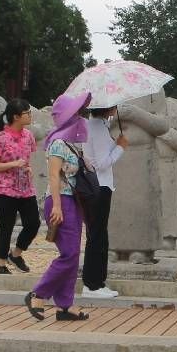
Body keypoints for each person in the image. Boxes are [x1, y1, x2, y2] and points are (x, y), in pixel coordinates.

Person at [24, 91, 91, 321]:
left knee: (72, 254)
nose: (80, 117)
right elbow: (53, 176)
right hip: (60, 200)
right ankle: (38, 293)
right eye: (76, 113)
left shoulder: (73, 145)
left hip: (74, 201)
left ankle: (65, 305)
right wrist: (57, 207)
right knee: (70, 254)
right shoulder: (58, 143)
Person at [0, 97, 39, 273]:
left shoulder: (29, 136)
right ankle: (1, 264)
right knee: (6, 227)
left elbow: (27, 160)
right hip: (5, 190)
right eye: (27, 113)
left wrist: (29, 168)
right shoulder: (0, 138)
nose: (30, 115)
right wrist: (13, 164)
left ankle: (16, 254)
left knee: (33, 223)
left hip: (26, 189)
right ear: (16, 117)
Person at [81, 107, 124, 300]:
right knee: (97, 236)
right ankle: (92, 284)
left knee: (98, 235)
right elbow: (101, 163)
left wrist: (115, 144)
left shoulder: (98, 125)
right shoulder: (97, 127)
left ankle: (98, 282)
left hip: (99, 186)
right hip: (99, 186)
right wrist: (120, 147)